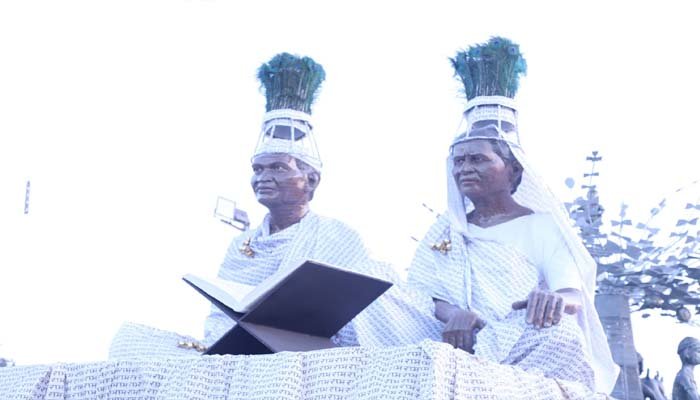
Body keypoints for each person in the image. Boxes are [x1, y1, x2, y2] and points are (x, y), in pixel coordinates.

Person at [109, 53, 439, 359]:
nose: (263, 177)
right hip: (243, 348)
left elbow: (363, 308)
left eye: (278, 168)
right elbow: (220, 316)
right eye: (258, 169)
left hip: (314, 349)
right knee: (131, 340)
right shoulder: (242, 243)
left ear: (311, 180)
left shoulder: (337, 235)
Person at [407, 37, 618, 393]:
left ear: (513, 170)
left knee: (560, 333)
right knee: (382, 298)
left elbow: (573, 296)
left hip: (519, 337)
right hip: (449, 336)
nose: (464, 169)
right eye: (459, 161)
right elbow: (419, 293)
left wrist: (553, 301)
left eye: (478, 159)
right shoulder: (445, 229)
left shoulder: (541, 225)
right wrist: (454, 315)